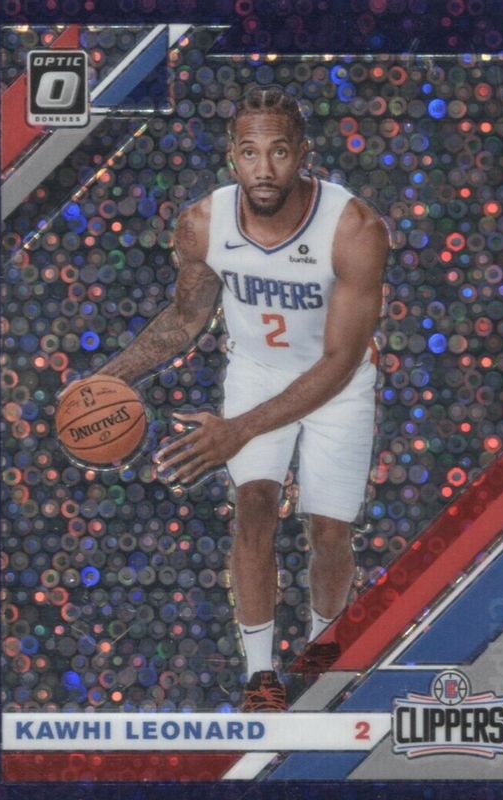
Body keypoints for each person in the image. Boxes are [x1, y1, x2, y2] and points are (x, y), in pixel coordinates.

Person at [96, 87, 389, 711]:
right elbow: (185, 320)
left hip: (337, 385)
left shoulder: (355, 228)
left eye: (279, 151)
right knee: (255, 505)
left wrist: (237, 429)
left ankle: (322, 645)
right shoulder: (204, 223)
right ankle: (261, 676)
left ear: (303, 154)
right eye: (250, 152)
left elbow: (339, 361)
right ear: (232, 156)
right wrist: (108, 380)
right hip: (256, 372)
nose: (264, 168)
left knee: (329, 530)